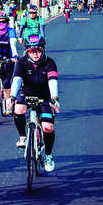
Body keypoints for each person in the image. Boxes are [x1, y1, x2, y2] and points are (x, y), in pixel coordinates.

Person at [11, 34, 60, 172]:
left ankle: (48, 155)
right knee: (18, 109)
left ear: (43, 49)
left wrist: (54, 98)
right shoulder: (21, 62)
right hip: (26, 93)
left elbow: (52, 81)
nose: (35, 53)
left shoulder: (49, 62)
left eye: (38, 50)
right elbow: (17, 80)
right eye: (32, 51)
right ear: (27, 51)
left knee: (48, 127)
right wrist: (12, 96)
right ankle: (22, 137)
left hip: (45, 96)